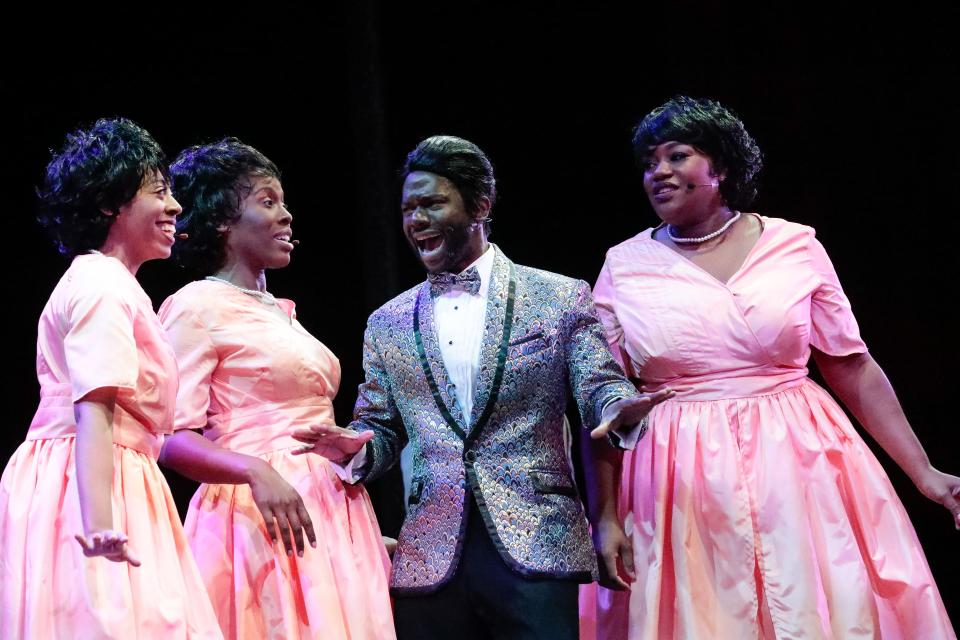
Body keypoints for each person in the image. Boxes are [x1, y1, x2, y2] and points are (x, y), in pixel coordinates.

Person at [580, 96, 958, 639]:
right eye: (648, 162)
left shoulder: (794, 245)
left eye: (677, 156)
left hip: (799, 463)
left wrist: (923, 472)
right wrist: (607, 517)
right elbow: (603, 402)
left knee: (817, 604)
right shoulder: (624, 265)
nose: (657, 172)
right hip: (679, 476)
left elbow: (851, 365)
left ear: (722, 167)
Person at [294, 135, 674, 640]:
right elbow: (379, 427)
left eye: (432, 204)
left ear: (480, 205)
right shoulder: (387, 322)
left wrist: (619, 405)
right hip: (431, 554)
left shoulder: (558, 296)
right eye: (409, 209)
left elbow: (599, 383)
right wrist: (355, 449)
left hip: (537, 541)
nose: (416, 220)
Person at [156, 138, 394, 640]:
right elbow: (170, 437)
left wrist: (342, 446)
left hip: (328, 506)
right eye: (268, 202)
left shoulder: (281, 311)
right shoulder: (196, 306)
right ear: (222, 220)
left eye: (283, 202)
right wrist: (255, 469)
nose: (286, 216)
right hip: (258, 514)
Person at [0, 118, 222, 639]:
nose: (175, 207)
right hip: (94, 475)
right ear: (109, 205)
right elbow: (94, 408)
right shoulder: (101, 283)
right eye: (159, 192)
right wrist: (98, 521)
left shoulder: (110, 283)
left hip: (110, 469)